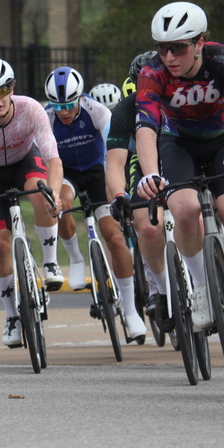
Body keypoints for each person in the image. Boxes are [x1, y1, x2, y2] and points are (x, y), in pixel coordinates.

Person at [135, 1, 224, 349]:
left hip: (222, 142)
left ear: (200, 42)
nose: (169, 57)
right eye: (163, 48)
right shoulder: (152, 73)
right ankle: (200, 289)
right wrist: (150, 174)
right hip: (177, 144)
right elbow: (146, 128)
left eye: (179, 48)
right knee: (185, 212)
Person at [45, 66, 147, 342]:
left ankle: (130, 310)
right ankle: (76, 259)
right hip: (67, 173)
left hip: (97, 170)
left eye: (69, 104)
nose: (64, 111)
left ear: (80, 97)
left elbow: (113, 153)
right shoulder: (47, 117)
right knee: (59, 203)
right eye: (58, 106)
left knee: (114, 236)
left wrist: (113, 188)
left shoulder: (98, 111)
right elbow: (46, 159)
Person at [0, 58, 62, 346]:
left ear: (12, 88)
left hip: (25, 162)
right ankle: (11, 316)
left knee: (41, 193)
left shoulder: (30, 109)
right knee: (0, 244)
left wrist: (55, 193)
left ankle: (50, 262)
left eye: (1, 91)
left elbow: (52, 158)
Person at [105, 51, 169, 326]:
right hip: (144, 163)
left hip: (183, 155)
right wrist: (119, 195)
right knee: (149, 227)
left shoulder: (184, 97)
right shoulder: (124, 110)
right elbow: (115, 164)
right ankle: (161, 290)